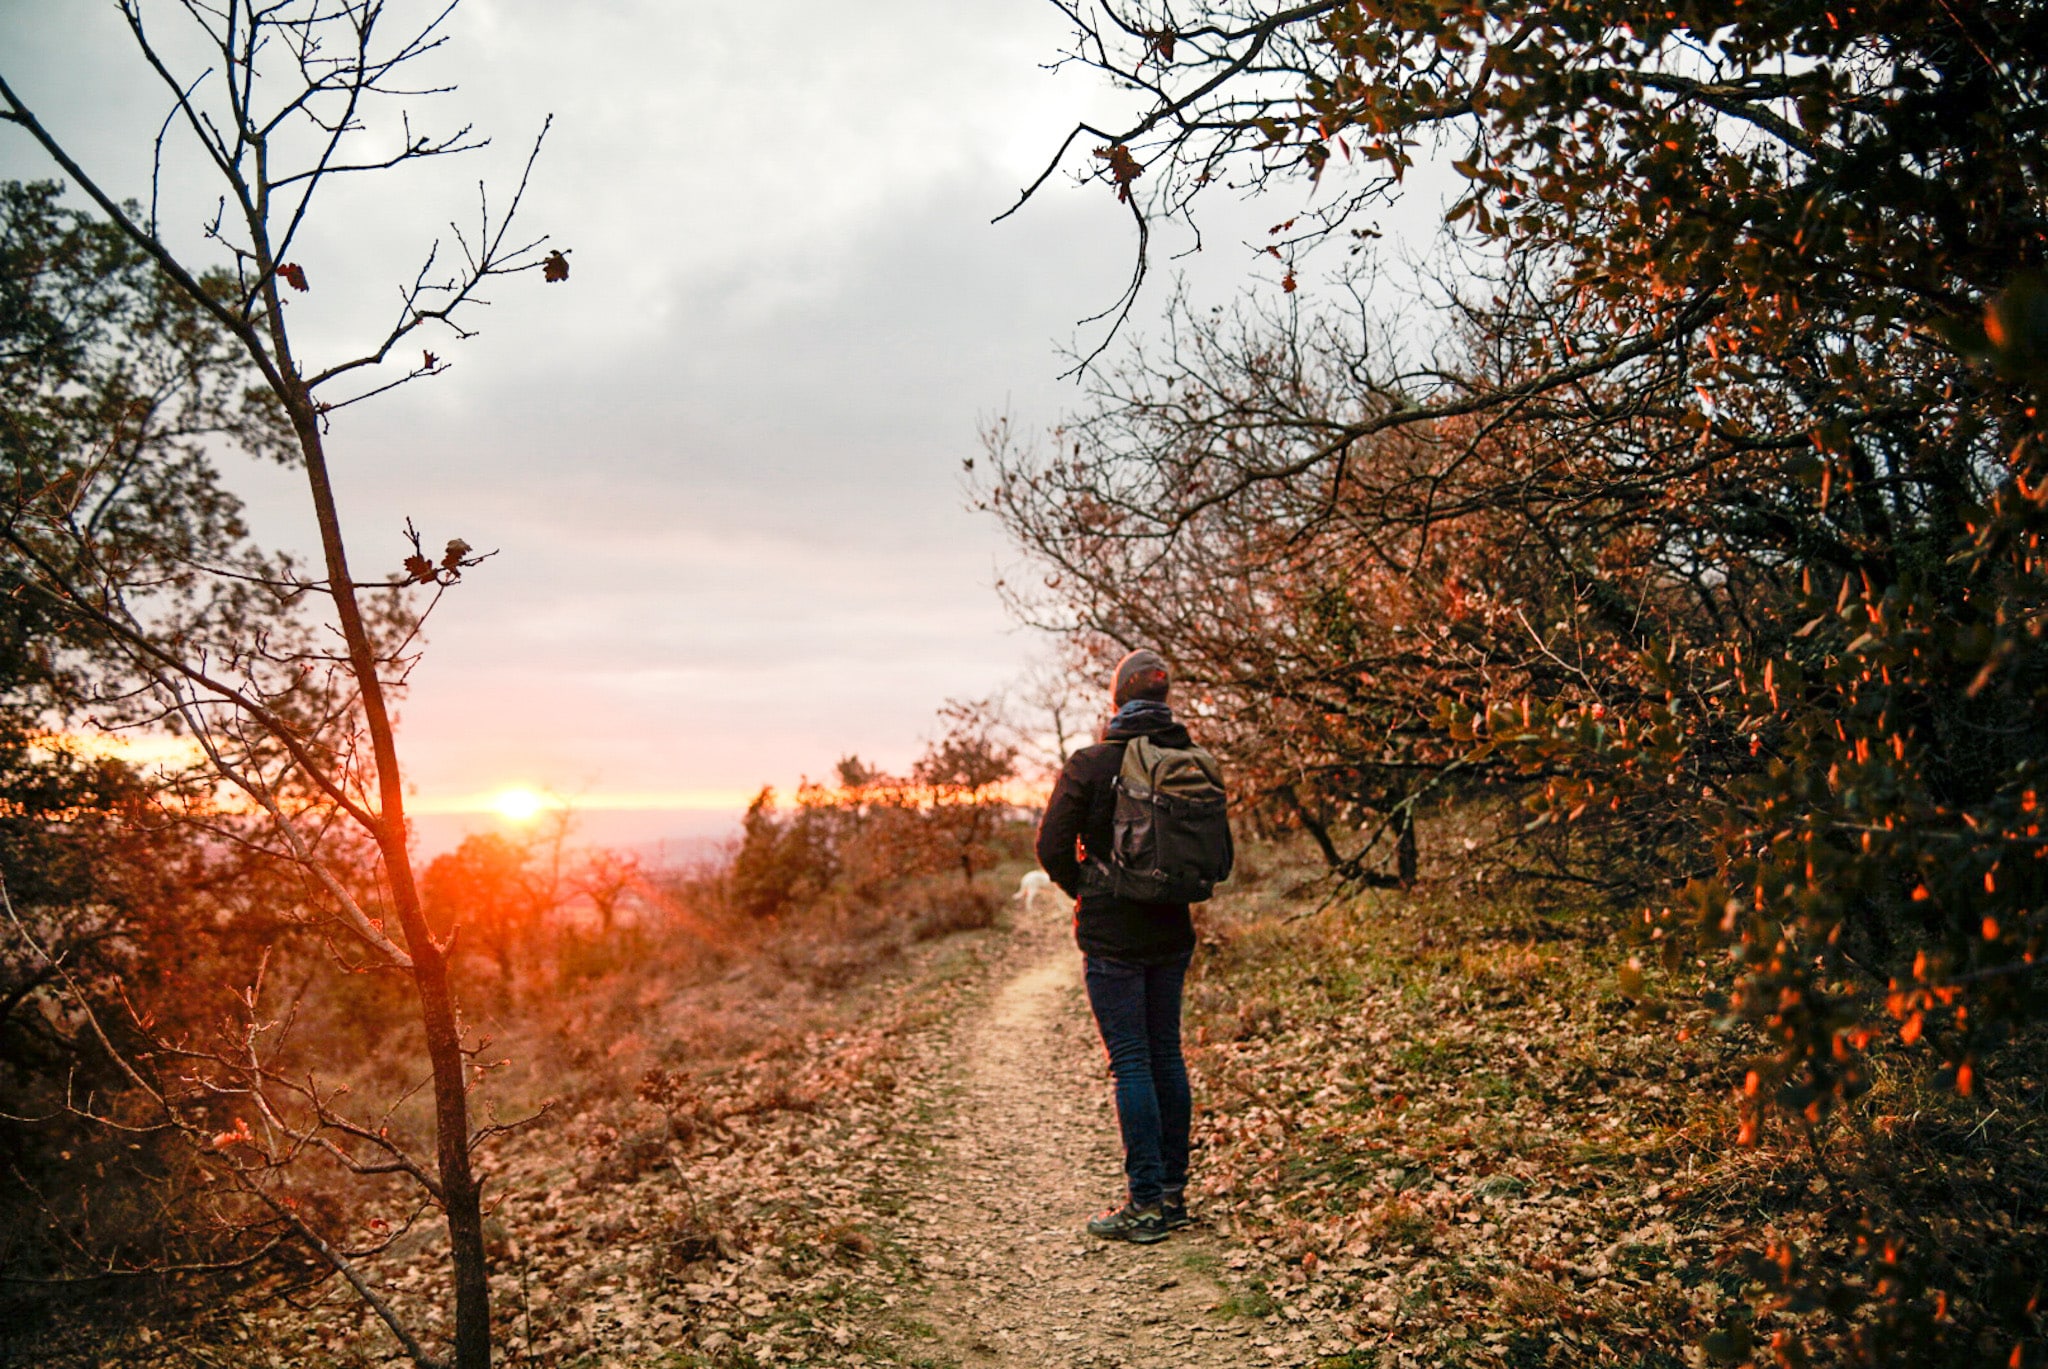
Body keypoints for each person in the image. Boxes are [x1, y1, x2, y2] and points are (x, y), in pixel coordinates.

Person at [1036, 648, 1200, 1244]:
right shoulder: (1187, 760)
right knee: (1166, 1056)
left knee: (1130, 1062)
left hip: (1112, 936)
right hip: (1172, 929)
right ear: (1163, 698)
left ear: (1117, 698)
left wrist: (1087, 888)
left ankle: (1145, 1205)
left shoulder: (1089, 764)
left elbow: (1051, 846)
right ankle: (1174, 1196)